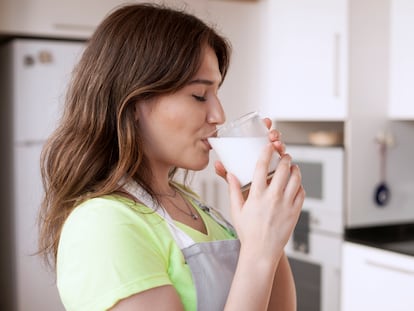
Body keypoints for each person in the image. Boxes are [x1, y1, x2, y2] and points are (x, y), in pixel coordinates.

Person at [38, 3, 305, 311]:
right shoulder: (101, 225)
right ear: (135, 103)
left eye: (217, 93)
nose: (219, 115)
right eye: (199, 96)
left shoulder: (191, 204)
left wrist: (266, 224)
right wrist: (258, 252)